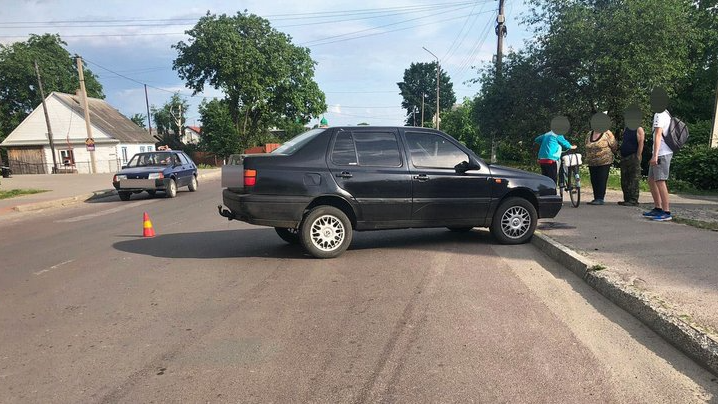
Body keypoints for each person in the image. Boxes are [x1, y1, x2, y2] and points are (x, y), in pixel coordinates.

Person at [643, 87, 673, 221]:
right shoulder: (665, 113)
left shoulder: (659, 114)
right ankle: (657, 207)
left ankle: (666, 212)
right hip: (659, 152)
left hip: (661, 153)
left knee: (660, 181)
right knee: (651, 180)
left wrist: (655, 155)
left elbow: (658, 135)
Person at [584, 112, 617, 205]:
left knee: (601, 179)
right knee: (594, 179)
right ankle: (596, 198)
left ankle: (600, 198)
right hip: (591, 162)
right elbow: (586, 144)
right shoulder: (589, 134)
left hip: (604, 161)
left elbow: (614, 145)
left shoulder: (607, 133)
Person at [534, 116, 577, 186]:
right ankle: (553, 193)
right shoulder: (557, 134)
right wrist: (572, 147)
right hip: (551, 158)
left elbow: (537, 139)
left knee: (545, 178)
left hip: (542, 159)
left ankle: (545, 192)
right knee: (552, 179)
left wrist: (545, 144)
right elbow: (565, 143)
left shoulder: (547, 134)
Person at [618, 104, 645, 206]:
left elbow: (641, 143)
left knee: (633, 179)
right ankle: (627, 198)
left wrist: (638, 156)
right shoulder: (626, 128)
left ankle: (633, 200)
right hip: (624, 156)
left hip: (633, 156)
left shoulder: (639, 129)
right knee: (624, 179)